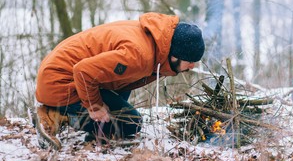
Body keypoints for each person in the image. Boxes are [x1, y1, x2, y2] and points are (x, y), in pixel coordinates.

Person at [33, 12, 205, 149]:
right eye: (190, 61)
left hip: (65, 74)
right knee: (131, 124)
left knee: (123, 98)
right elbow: (83, 71)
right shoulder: (139, 55)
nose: (192, 66)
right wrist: (94, 106)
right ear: (175, 55)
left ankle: (97, 130)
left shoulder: (154, 40)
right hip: (59, 81)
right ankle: (57, 115)